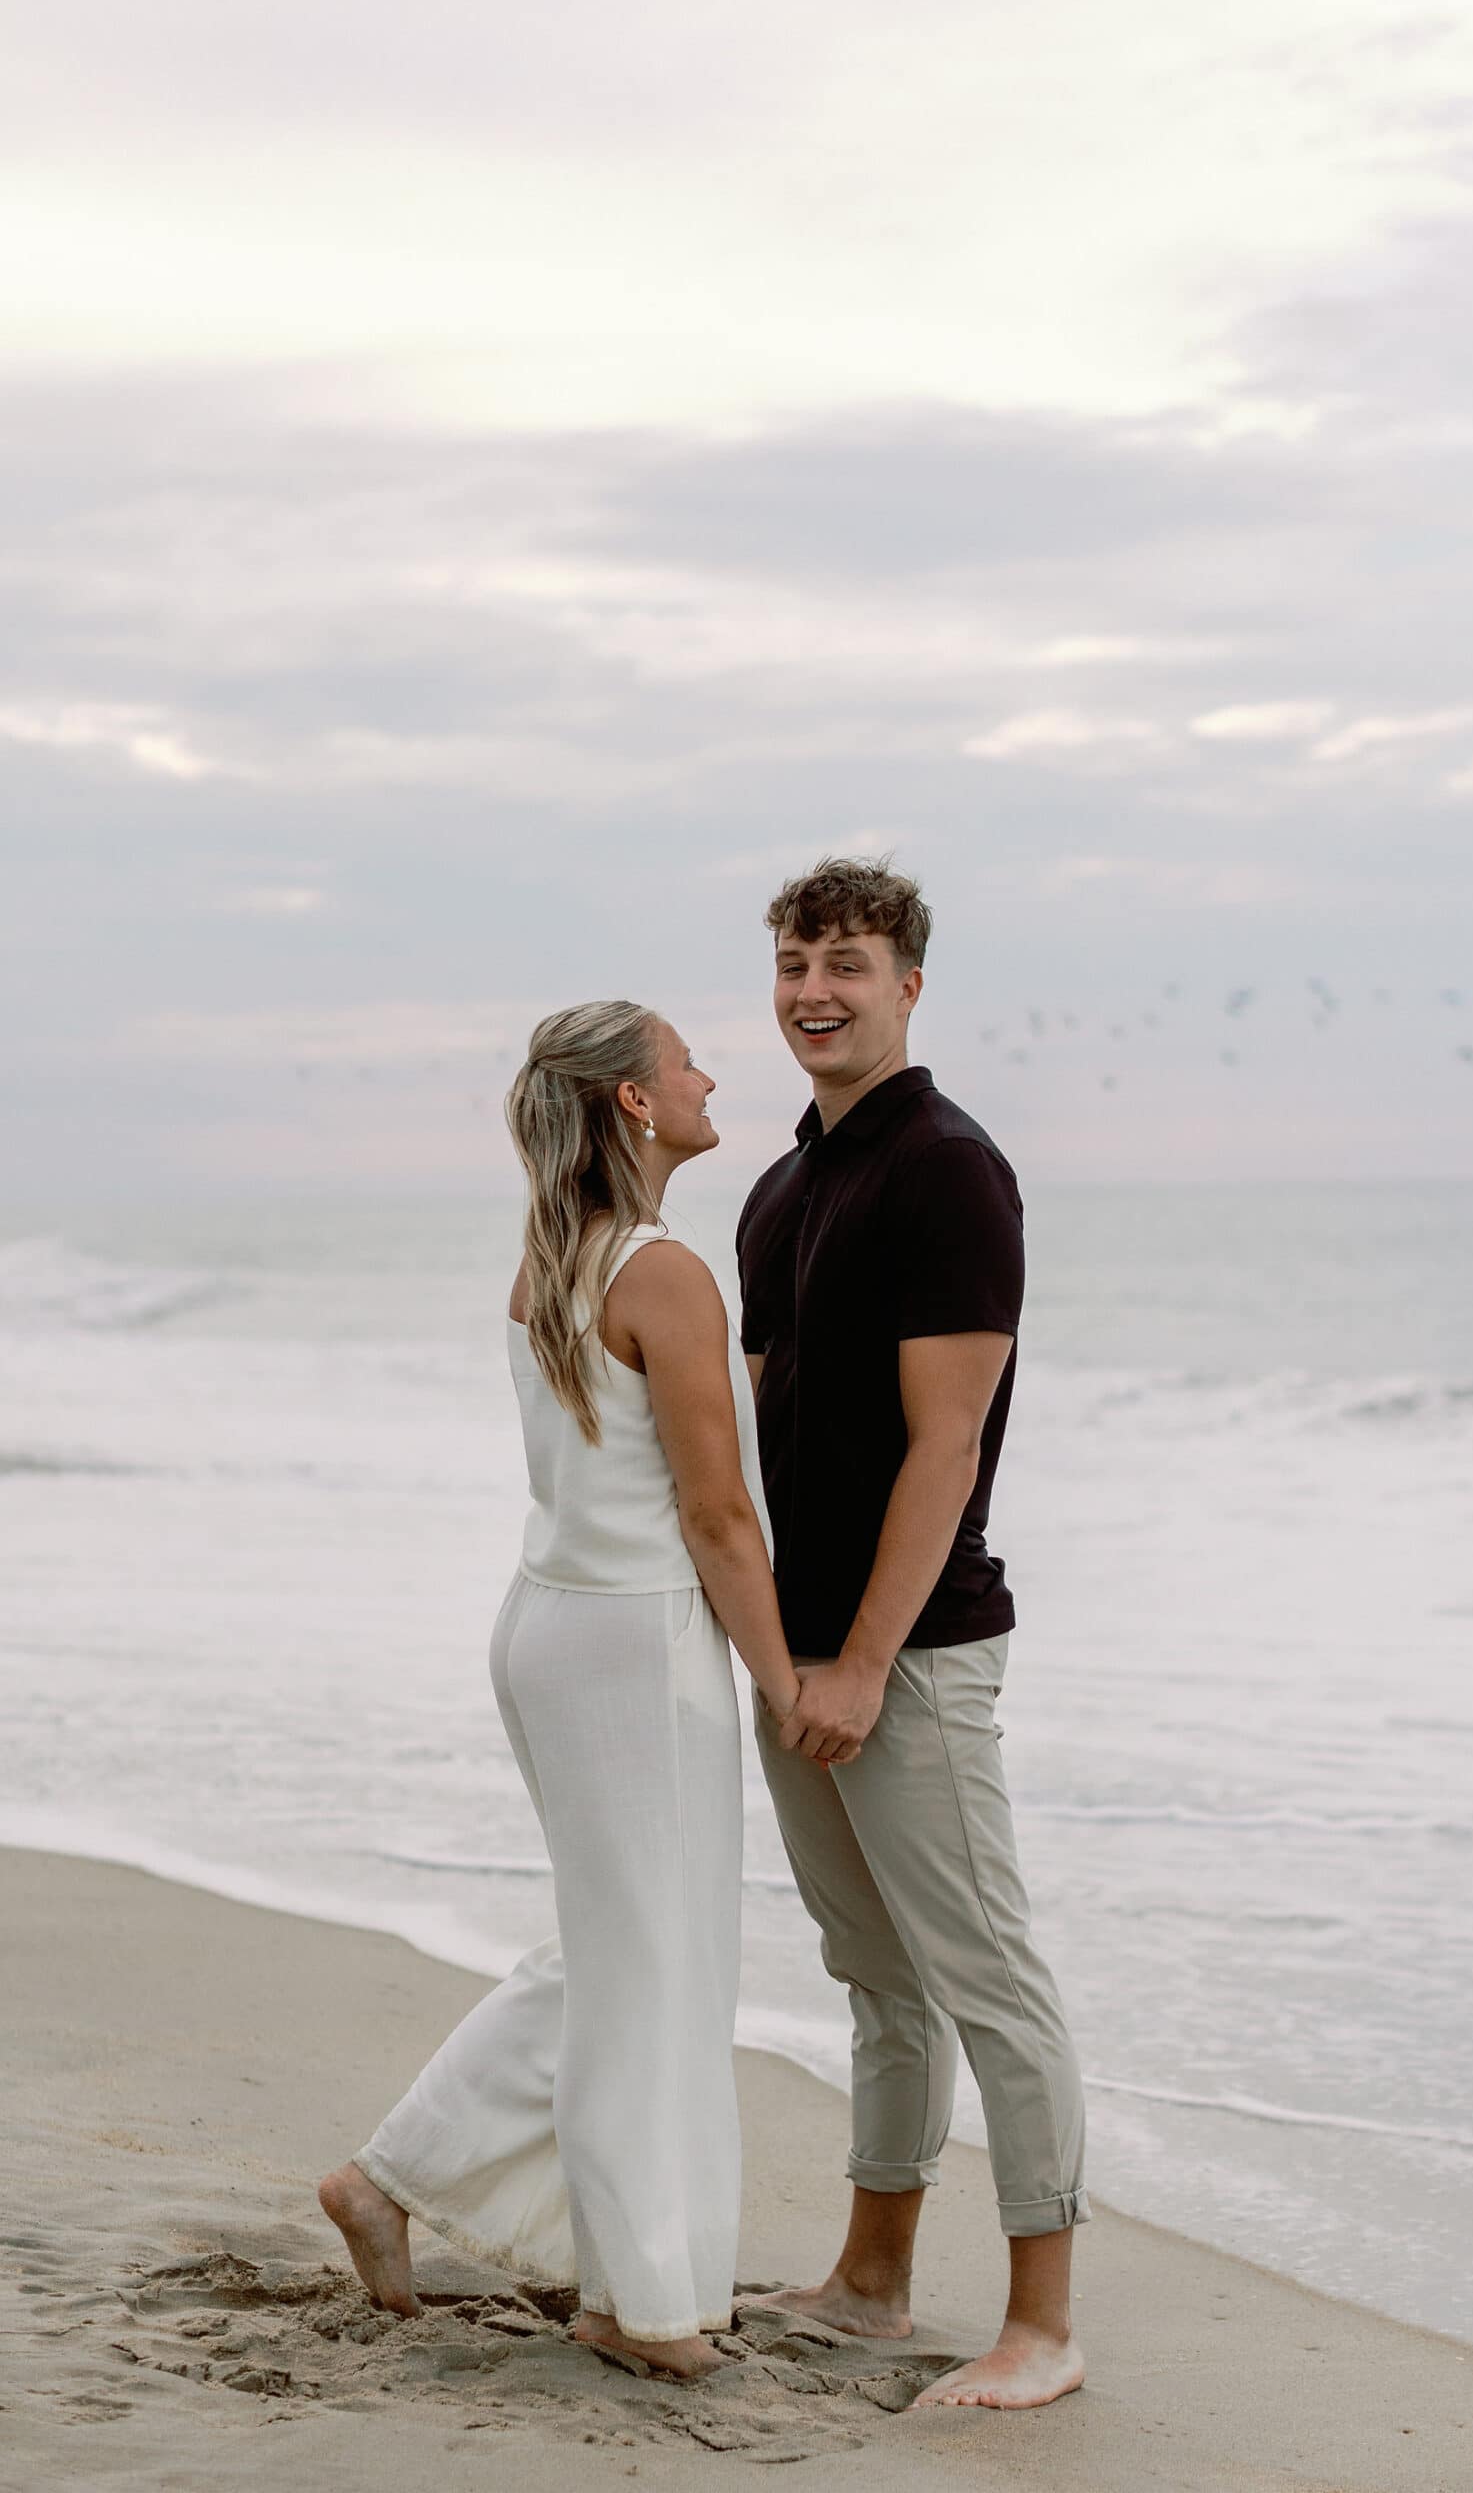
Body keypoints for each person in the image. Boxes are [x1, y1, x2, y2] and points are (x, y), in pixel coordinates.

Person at [318, 1001, 802, 2381]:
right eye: (685, 1059)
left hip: (551, 1626)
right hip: (631, 1648)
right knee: (654, 1968)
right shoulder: (665, 1273)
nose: (710, 1074)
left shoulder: (555, 1258)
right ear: (635, 1105)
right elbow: (718, 1520)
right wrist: (784, 1688)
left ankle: (396, 2178)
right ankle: (636, 2307)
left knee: (619, 1954)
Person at [736, 857, 1089, 2411]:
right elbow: (760, 1447)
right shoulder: (778, 1186)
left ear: (910, 987)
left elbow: (945, 1446)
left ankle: (1045, 2328)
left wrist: (866, 1661)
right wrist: (773, 1655)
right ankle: (872, 2283)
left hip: (916, 1654)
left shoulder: (950, 1169)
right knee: (874, 1975)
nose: (819, 991)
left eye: (851, 964)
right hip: (792, 1653)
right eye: (799, 963)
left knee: (988, 1978)